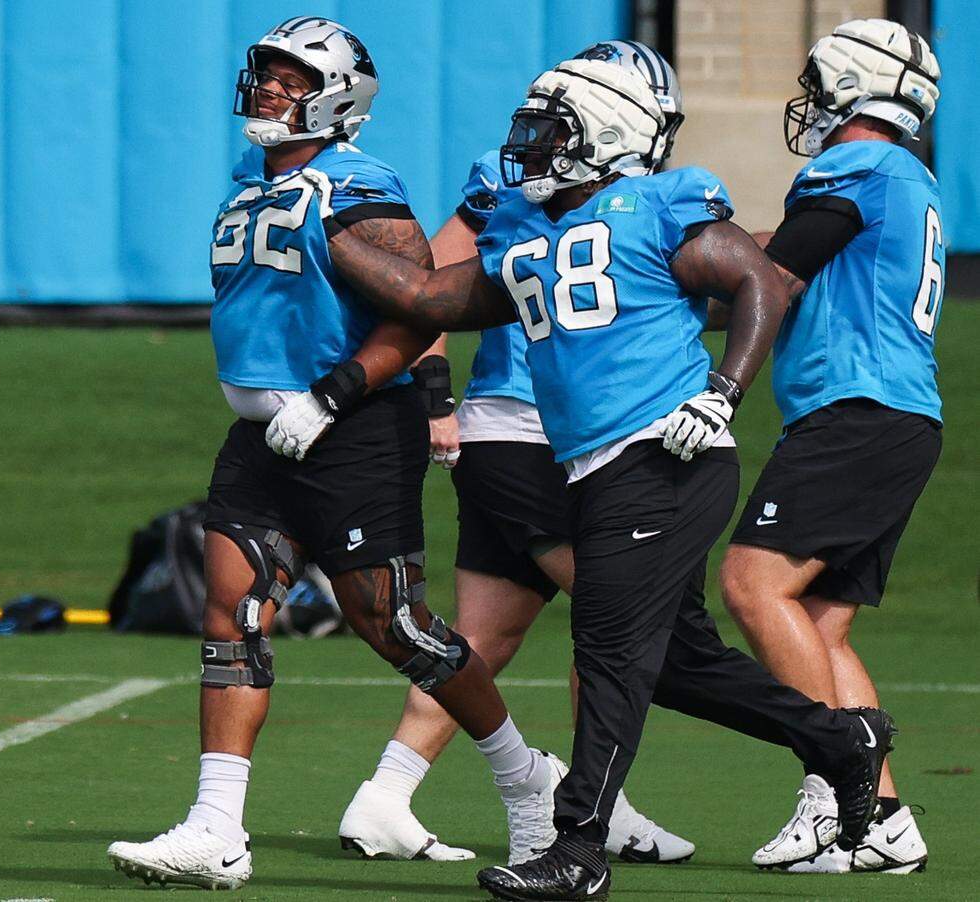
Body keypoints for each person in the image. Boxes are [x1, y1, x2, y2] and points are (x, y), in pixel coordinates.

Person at [299, 55, 897, 900]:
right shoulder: (526, 230)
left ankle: (578, 845)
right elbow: (430, 298)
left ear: (607, 136)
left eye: (550, 130)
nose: (528, 144)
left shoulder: (658, 202)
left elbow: (757, 280)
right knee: (676, 663)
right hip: (592, 466)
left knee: (608, 650)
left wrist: (724, 391)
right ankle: (842, 740)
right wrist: (322, 226)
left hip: (668, 452)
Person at [106, 17, 560, 891]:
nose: (270, 89)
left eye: (293, 79)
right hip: (260, 438)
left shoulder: (357, 185)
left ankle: (524, 777)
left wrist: (332, 395)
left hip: (354, 430)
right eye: (266, 73)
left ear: (338, 99)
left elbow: (420, 309)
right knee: (231, 618)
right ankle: (217, 826)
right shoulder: (251, 184)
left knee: (397, 627)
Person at [338, 40, 694, 868]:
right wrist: (435, 394)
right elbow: (435, 273)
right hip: (541, 431)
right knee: (628, 623)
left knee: (484, 638)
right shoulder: (546, 183)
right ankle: (602, 804)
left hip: (532, 431)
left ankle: (385, 796)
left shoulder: (618, 192)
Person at [716, 18, 943, 875]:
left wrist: (676, 269)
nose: (808, 101)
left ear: (854, 86)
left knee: (752, 583)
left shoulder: (858, 164)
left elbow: (776, 275)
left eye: (820, 84)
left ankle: (830, 785)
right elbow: (787, 259)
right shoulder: (907, 176)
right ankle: (881, 821)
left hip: (856, 409)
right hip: (898, 416)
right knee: (819, 626)